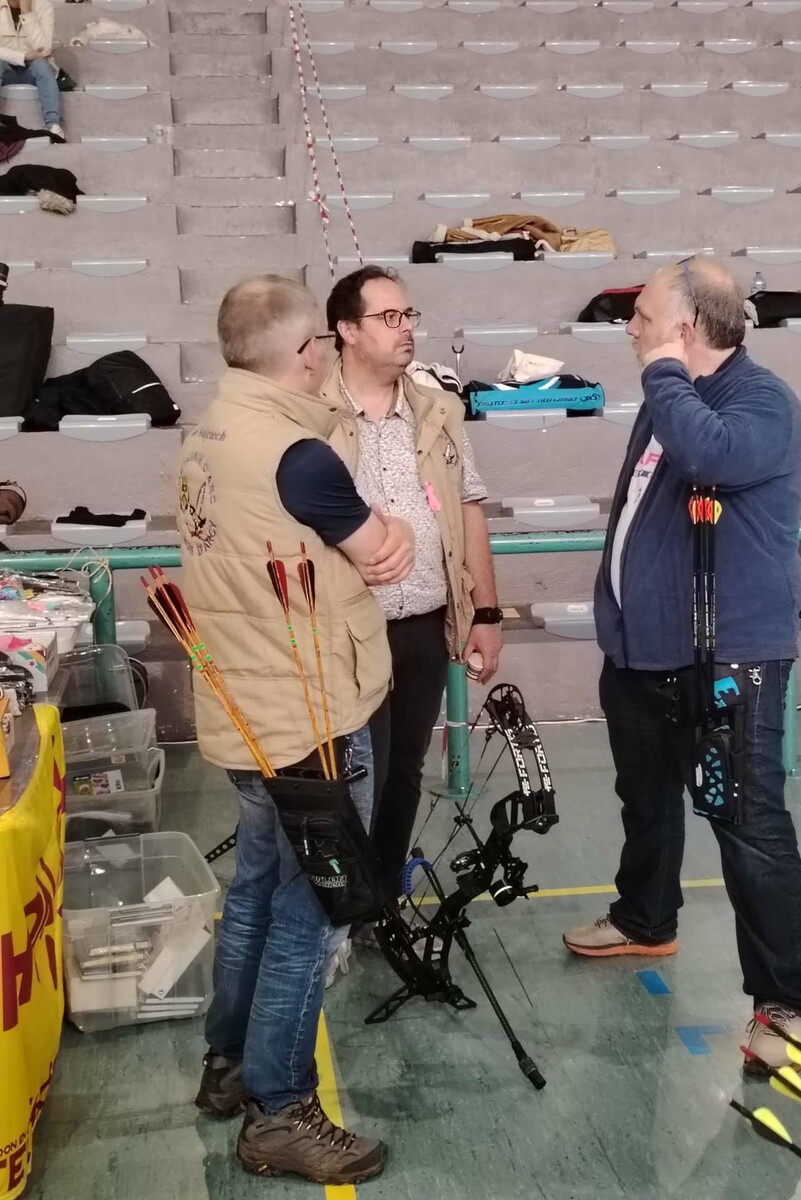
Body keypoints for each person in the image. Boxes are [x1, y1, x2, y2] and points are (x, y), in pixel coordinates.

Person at [178, 276, 415, 1185]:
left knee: (258, 891)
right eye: (319, 340)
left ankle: (230, 1065)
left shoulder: (210, 430)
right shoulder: (299, 454)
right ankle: (279, 1110)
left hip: (249, 712)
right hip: (307, 719)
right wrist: (388, 530)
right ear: (304, 352)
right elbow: (382, 550)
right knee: (311, 912)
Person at [563, 256, 801, 1070]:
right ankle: (645, 918)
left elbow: (709, 457)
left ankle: (783, 1003)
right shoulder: (665, 401)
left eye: (642, 315)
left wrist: (664, 371)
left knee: (748, 827)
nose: (629, 329)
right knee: (644, 799)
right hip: (643, 654)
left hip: (729, 657)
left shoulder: (760, 401)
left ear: (683, 328)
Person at [321, 265, 503, 898]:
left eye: (409, 316)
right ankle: (341, 909)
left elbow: (470, 507)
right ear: (347, 330)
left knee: (403, 773)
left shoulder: (439, 411)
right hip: (348, 632)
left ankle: (381, 901)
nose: (406, 330)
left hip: (424, 625)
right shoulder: (310, 414)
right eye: (389, 317)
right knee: (353, 776)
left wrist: (485, 612)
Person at [0, 0, 64, 141]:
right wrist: (23, 56)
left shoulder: (43, 6)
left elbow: (44, 49)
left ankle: (53, 126)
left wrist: (27, 13)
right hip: (5, 66)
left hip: (32, 68)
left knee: (42, 65)